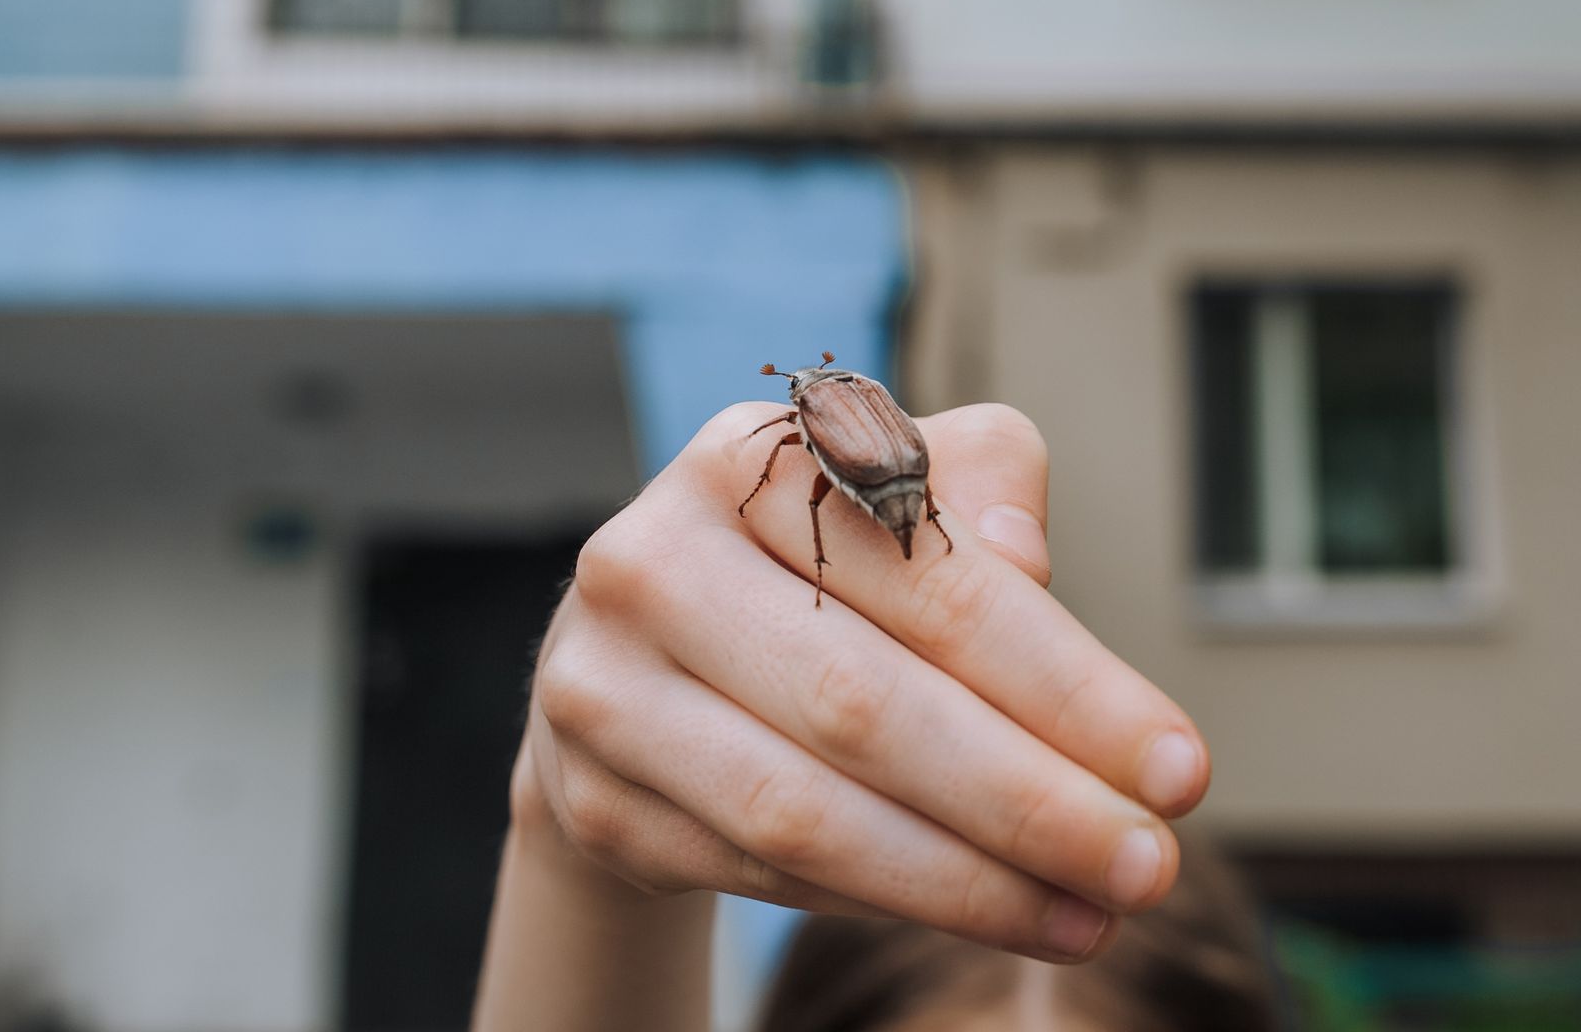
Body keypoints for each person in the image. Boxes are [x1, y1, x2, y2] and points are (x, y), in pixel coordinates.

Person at [471, 399, 1274, 1031]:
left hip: (878, 480)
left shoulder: (800, 428)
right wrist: (574, 846)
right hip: (895, 479)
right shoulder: (821, 419)